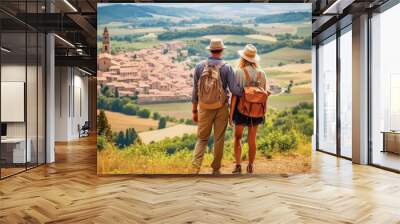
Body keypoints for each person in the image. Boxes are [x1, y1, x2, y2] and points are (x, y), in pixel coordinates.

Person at [192, 39, 243, 175]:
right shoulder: (227, 67)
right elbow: (234, 90)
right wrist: (246, 90)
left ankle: (195, 167)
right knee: (219, 138)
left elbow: (195, 91)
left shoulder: (199, 66)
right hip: (221, 108)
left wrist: (194, 110)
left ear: (210, 50)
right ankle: (215, 169)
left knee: (202, 139)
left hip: (203, 108)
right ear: (222, 50)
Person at [230, 44, 269, 174]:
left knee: (238, 137)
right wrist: (264, 112)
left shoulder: (239, 72)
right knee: (252, 139)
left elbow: (235, 94)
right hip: (257, 111)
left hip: (241, 109)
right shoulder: (262, 74)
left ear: (243, 58)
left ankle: (238, 165)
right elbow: (264, 95)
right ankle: (251, 166)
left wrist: (231, 115)